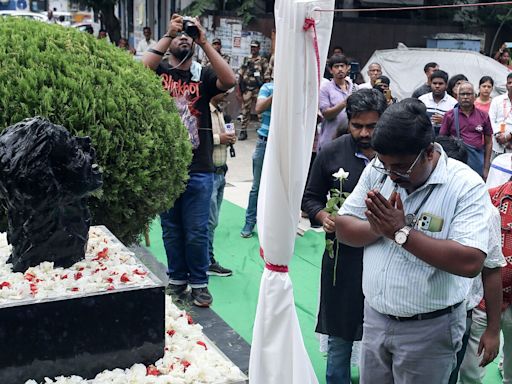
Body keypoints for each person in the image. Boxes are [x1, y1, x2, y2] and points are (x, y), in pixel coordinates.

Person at [337, 98, 490, 384]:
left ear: (429, 152)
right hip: (375, 318)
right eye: (385, 165)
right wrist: (381, 228)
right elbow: (344, 228)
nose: (392, 176)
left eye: (401, 168)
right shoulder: (378, 170)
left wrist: (401, 232)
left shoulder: (465, 186)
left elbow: (471, 261)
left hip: (430, 329)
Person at [142, 14, 236, 307]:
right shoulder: (158, 73)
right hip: (167, 167)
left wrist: (204, 42)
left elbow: (230, 80)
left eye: (188, 33)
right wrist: (168, 34)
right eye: (180, 33)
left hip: (199, 168)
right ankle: (177, 280)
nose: (185, 36)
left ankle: (199, 284)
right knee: (171, 229)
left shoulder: (202, 75)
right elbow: (140, 70)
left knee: (196, 230)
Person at [302, 89, 387, 384]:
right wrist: (324, 216)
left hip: (386, 255)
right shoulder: (331, 152)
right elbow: (310, 198)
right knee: (340, 330)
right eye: (357, 126)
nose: (364, 133)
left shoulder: (397, 155)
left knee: (379, 335)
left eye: (372, 126)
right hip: (341, 257)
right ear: (348, 121)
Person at [434, 136, 504, 384]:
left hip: (460, 313)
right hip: (414, 313)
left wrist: (493, 330)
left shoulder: (486, 211)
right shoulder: (415, 199)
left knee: (451, 375)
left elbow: (492, 269)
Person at [456, 180, 509, 384]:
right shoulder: (488, 199)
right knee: (469, 370)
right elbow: (490, 268)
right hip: (480, 302)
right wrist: (493, 328)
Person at [240, 78, 274, 238]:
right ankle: (249, 222)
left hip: (284, 145)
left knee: (279, 188)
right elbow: (259, 108)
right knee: (257, 186)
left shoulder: (295, 90)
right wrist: (277, 94)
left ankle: (273, 226)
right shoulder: (268, 87)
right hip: (265, 143)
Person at [439, 81, 492, 179]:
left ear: (475, 96)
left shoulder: (483, 115)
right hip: (456, 163)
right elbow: (443, 141)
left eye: (468, 94)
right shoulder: (449, 116)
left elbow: (488, 142)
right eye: (462, 94)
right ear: (457, 97)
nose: (465, 97)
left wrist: (486, 167)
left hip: (477, 162)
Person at [207, 92, 235, 277]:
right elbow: (194, 139)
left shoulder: (220, 113)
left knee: (212, 221)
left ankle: (206, 259)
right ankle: (206, 261)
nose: (227, 95)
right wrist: (220, 139)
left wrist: (229, 139)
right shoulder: (203, 112)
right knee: (208, 222)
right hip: (206, 175)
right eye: (224, 90)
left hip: (220, 173)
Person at [318, 54, 357, 150]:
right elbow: (326, 114)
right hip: (330, 139)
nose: (340, 69)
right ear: (331, 70)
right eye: (336, 66)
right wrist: (345, 103)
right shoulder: (325, 89)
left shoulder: (354, 87)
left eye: (342, 66)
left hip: (351, 138)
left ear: (347, 68)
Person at [237, 40, 269, 141]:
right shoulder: (247, 59)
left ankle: (263, 130)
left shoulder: (263, 60)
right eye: (252, 47)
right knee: (245, 110)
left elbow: (266, 75)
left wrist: (265, 89)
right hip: (247, 89)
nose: (253, 49)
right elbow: (241, 74)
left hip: (258, 89)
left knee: (261, 111)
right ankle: (243, 131)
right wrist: (239, 90)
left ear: (259, 48)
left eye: (255, 47)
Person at [419, 69, 457, 135]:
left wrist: (444, 121)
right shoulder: (422, 100)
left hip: (444, 139)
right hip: (424, 138)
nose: (437, 86)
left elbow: (457, 126)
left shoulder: (453, 103)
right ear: (430, 84)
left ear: (446, 85)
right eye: (434, 83)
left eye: (440, 84)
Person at [489, 73, 512, 159]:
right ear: (506, 85)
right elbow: (491, 119)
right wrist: (498, 135)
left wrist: (509, 136)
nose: (511, 85)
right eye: (509, 83)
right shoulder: (497, 100)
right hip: (497, 143)